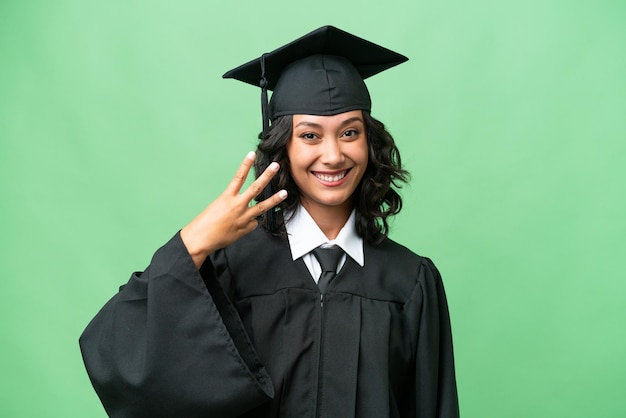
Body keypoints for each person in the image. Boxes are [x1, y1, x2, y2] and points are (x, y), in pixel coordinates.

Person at [80, 25, 459, 418]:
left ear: (369, 142)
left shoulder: (410, 280)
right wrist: (193, 243)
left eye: (350, 132)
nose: (333, 155)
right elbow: (118, 349)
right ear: (283, 146)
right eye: (310, 135)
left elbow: (434, 406)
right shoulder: (231, 266)